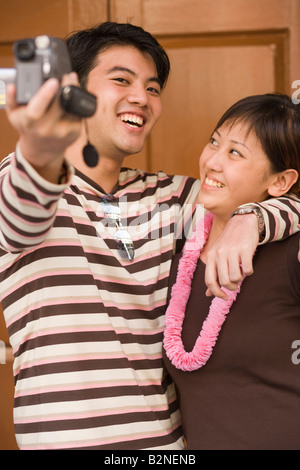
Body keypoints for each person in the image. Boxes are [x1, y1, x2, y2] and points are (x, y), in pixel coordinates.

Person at [0, 22, 299, 450]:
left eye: (153, 88)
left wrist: (251, 217)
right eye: (121, 80)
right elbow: (24, 207)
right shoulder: (19, 181)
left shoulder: (174, 198)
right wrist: (40, 145)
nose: (141, 97)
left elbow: (275, 191)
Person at [163, 93, 300, 450]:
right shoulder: (179, 246)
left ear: (281, 182)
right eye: (214, 142)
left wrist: (253, 218)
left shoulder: (291, 253)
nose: (212, 161)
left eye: (235, 153)